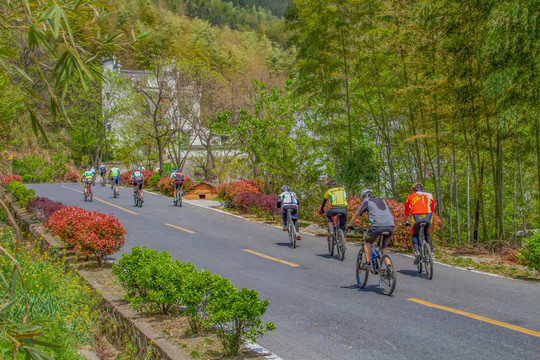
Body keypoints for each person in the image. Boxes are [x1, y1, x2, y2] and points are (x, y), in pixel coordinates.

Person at [348, 189, 395, 270]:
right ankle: (389, 268)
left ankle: (368, 264)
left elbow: (356, 214)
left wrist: (350, 224)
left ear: (363, 197)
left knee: (367, 241)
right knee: (383, 247)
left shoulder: (366, 201)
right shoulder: (381, 200)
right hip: (390, 225)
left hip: (377, 226)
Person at [403, 182, 435, 264]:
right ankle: (431, 252)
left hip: (416, 216)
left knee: (415, 234)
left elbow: (407, 212)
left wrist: (404, 222)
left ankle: (416, 251)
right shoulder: (430, 195)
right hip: (428, 215)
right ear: (422, 189)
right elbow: (432, 208)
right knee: (426, 233)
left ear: (413, 190)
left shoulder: (409, 197)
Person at [318, 179, 348, 246]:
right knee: (343, 227)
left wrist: (321, 209)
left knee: (327, 214)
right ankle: (344, 246)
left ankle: (331, 229)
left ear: (329, 186)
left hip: (335, 209)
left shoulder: (329, 191)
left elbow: (324, 202)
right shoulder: (343, 189)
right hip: (344, 209)